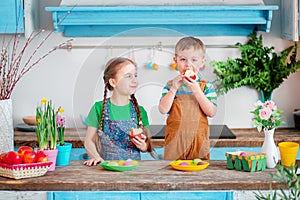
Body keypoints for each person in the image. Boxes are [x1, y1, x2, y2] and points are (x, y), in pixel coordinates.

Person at [84, 57, 154, 166]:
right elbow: (88, 141)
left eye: (135, 75)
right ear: (113, 82)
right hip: (107, 169)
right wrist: (96, 157)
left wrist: (143, 146)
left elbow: (149, 144)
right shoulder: (99, 108)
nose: (134, 80)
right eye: (128, 76)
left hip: (133, 171)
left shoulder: (140, 111)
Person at [159, 37, 217, 160]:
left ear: (202, 62)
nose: (188, 64)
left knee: (199, 174)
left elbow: (211, 112)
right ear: (176, 61)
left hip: (199, 141)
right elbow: (163, 109)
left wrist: (196, 90)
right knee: (172, 173)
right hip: (175, 142)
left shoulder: (207, 86)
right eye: (183, 59)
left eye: (194, 60)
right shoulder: (170, 85)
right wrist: (173, 89)